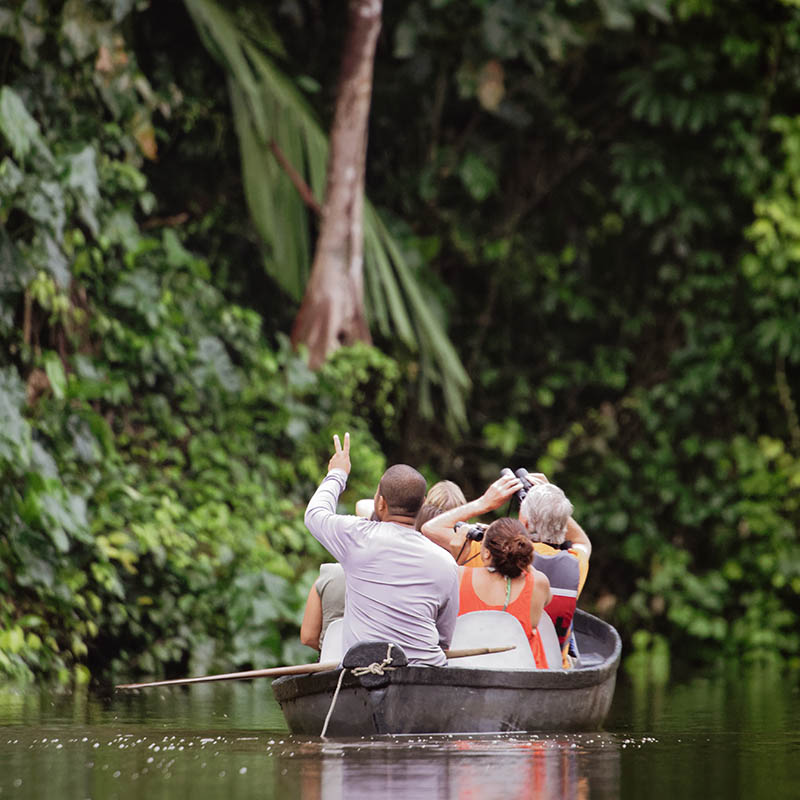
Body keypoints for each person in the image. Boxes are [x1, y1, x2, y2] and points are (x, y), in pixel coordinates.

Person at [304, 432, 459, 667]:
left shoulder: (356, 537)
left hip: (363, 670)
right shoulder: (446, 561)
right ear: (423, 503)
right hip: (425, 671)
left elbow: (315, 514)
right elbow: (444, 640)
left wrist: (338, 473)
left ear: (380, 503)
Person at [457, 518, 551, 668]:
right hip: (524, 675)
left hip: (469, 672)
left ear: (487, 553)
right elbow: (547, 599)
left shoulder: (458, 575)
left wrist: (459, 555)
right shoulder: (539, 582)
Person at [521, 482, 591, 664]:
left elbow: (436, 529)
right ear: (564, 526)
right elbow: (583, 541)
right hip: (555, 664)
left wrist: (484, 503)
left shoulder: (497, 554)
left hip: (513, 660)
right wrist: (555, 508)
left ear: (526, 522)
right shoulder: (577, 562)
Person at [300, 562, 345, 652]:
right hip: (377, 662)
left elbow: (308, 637)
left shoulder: (330, 574)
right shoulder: (380, 575)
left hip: (331, 659)